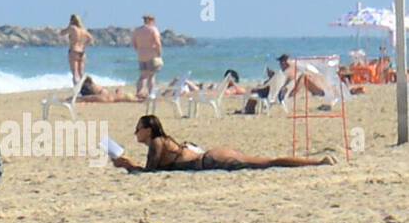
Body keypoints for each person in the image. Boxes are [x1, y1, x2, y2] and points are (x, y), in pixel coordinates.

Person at [111, 115, 334, 172]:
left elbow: (151, 172)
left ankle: (317, 162)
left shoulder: (156, 143)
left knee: (267, 163)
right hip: (210, 156)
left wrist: (128, 165)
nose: (135, 133)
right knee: (265, 162)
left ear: (148, 130)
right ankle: (316, 162)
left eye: (138, 129)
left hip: (209, 160)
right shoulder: (161, 141)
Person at [131, 14, 163, 100]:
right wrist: (159, 53)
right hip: (151, 54)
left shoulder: (137, 30)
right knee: (151, 76)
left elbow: (134, 43)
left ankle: (139, 92)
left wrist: (140, 50)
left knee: (143, 76)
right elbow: (157, 43)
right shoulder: (153, 29)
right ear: (152, 20)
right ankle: (151, 94)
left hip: (141, 55)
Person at [62, 14, 93, 85]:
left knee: (75, 73)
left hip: (74, 51)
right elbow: (90, 39)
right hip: (82, 52)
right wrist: (84, 45)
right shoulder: (84, 30)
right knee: (81, 73)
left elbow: (62, 33)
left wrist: (69, 25)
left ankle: (76, 89)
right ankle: (85, 88)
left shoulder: (72, 28)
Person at [77, 75, 142, 102]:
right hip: (132, 98)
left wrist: (118, 91)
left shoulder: (105, 94)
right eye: (94, 84)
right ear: (92, 89)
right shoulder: (103, 96)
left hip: (132, 96)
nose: (98, 85)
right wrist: (76, 98)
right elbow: (90, 98)